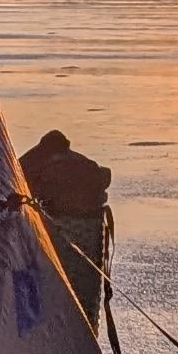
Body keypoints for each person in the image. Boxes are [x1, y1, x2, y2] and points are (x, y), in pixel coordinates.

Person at [20, 125, 114, 332]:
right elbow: (104, 177)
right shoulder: (85, 165)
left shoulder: (30, 163)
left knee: (54, 301)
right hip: (88, 232)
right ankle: (87, 338)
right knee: (83, 304)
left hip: (55, 234)